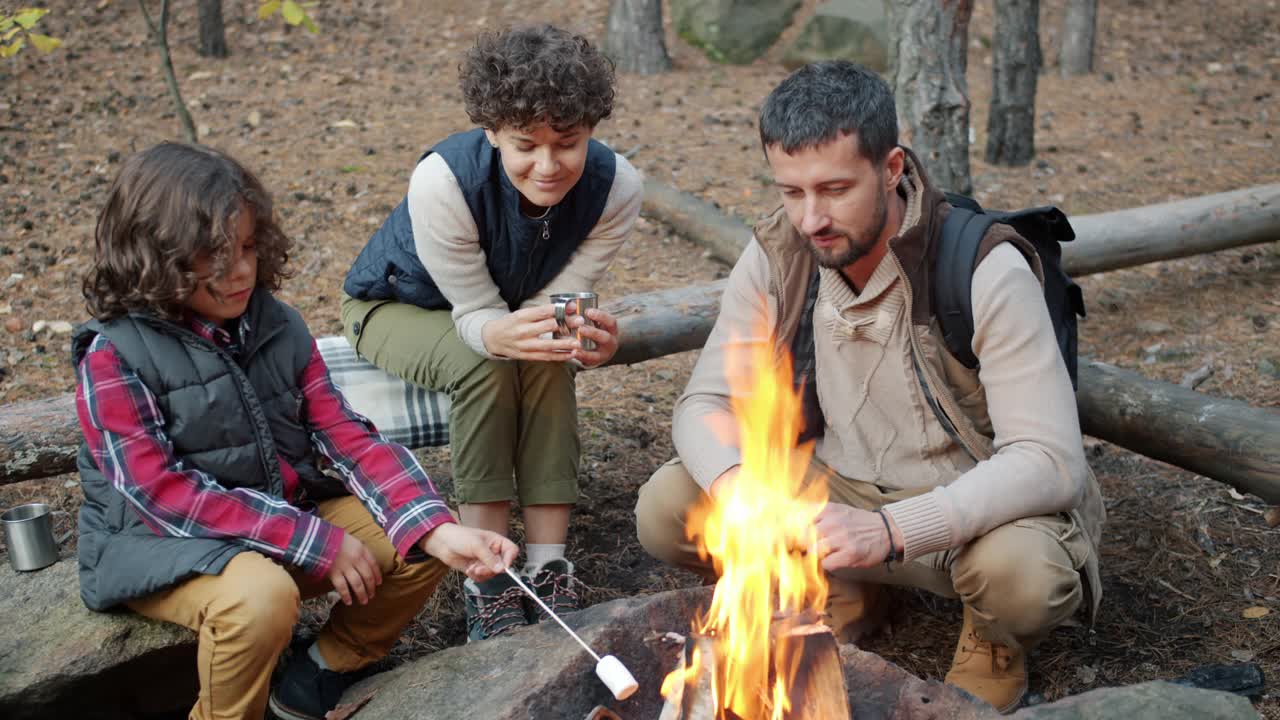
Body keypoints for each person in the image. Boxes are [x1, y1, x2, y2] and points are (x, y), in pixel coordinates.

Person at [634, 61, 1105, 713]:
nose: (811, 217)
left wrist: (889, 530)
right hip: (832, 495)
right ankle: (842, 586)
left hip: (967, 507)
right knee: (670, 506)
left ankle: (994, 644)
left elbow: (1051, 462)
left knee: (1024, 577)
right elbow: (706, 404)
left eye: (834, 189)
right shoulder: (781, 253)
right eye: (791, 192)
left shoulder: (982, 268)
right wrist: (740, 490)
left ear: (890, 169)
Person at [74, 142, 519, 720]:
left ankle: (321, 671)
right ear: (154, 256)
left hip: (273, 524)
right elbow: (160, 494)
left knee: (421, 537)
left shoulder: (277, 325)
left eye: (248, 247)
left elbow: (346, 434)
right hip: (155, 546)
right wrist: (313, 541)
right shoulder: (114, 352)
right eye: (212, 256)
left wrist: (432, 526)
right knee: (261, 598)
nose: (239, 271)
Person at [341, 24, 641, 641]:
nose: (548, 164)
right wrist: (511, 335)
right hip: (395, 307)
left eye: (569, 142)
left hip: (501, 309)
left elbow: (554, 307)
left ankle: (549, 563)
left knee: (546, 354)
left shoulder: (619, 188)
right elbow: (477, 318)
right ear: (492, 133)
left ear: (592, 129)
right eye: (524, 145)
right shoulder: (443, 181)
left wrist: (577, 337)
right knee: (486, 363)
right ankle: (487, 576)